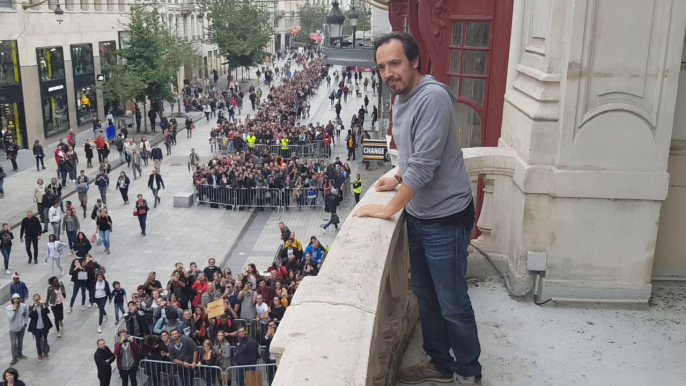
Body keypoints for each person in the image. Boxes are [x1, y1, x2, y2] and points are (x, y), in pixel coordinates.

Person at [354, 32, 481, 385]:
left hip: (447, 217)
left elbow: (424, 167)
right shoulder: (402, 96)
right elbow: (412, 154)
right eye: (381, 67)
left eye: (394, 63)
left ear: (414, 62)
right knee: (425, 296)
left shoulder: (432, 97)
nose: (388, 73)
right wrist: (396, 176)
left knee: (453, 303)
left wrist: (387, 208)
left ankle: (470, 372)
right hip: (421, 215)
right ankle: (440, 364)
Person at [28, 293, 52, 361]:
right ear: (33, 301)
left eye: (38, 300)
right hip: (36, 328)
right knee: (38, 341)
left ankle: (45, 352)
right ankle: (39, 354)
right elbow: (30, 315)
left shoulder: (42, 305)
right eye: (36, 300)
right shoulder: (31, 307)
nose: (37, 302)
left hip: (44, 326)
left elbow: (47, 311)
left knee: (45, 340)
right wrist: (34, 307)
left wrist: (43, 305)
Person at [6, 293, 29, 365]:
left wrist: (25, 323)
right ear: (12, 300)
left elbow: (26, 315)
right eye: (14, 299)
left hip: (21, 328)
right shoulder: (9, 308)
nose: (16, 300)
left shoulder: (23, 306)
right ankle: (14, 357)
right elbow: (10, 318)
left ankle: (20, 353)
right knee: (13, 343)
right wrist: (14, 309)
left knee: (20, 341)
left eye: (17, 299)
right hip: (13, 329)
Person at [262, 319, 279, 384]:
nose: (272, 327)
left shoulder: (279, 334)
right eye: (270, 326)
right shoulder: (266, 334)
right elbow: (263, 343)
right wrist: (267, 335)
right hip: (269, 359)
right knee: (270, 377)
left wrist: (274, 335)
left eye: (273, 325)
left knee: (277, 377)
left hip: (277, 359)